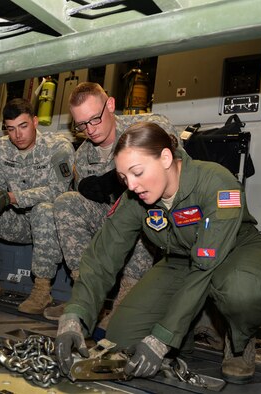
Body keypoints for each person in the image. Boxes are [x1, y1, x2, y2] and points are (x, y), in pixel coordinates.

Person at [55, 122, 261, 384]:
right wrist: (76, 314)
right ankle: (189, 330)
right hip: (181, 261)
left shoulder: (217, 183)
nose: (131, 185)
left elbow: (205, 266)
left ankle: (239, 338)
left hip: (235, 253)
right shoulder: (136, 198)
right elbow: (104, 255)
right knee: (122, 340)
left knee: (243, 291)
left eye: (137, 172)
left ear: (165, 157)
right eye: (123, 178)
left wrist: (162, 338)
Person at [44, 82, 180, 325]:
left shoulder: (146, 128)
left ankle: (126, 299)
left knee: (138, 206)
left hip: (156, 217)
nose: (90, 129)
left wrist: (117, 181)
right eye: (82, 124)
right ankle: (86, 295)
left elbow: (174, 158)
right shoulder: (84, 155)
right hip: (111, 218)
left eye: (95, 119)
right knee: (66, 203)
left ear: (111, 105)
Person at [0, 98, 74, 314]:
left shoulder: (58, 147)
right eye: (11, 129)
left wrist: (12, 197)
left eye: (23, 126)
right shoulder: (1, 148)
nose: (18, 135)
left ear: (35, 121)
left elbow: (58, 191)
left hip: (45, 226)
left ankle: (42, 289)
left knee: (44, 209)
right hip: (12, 222)